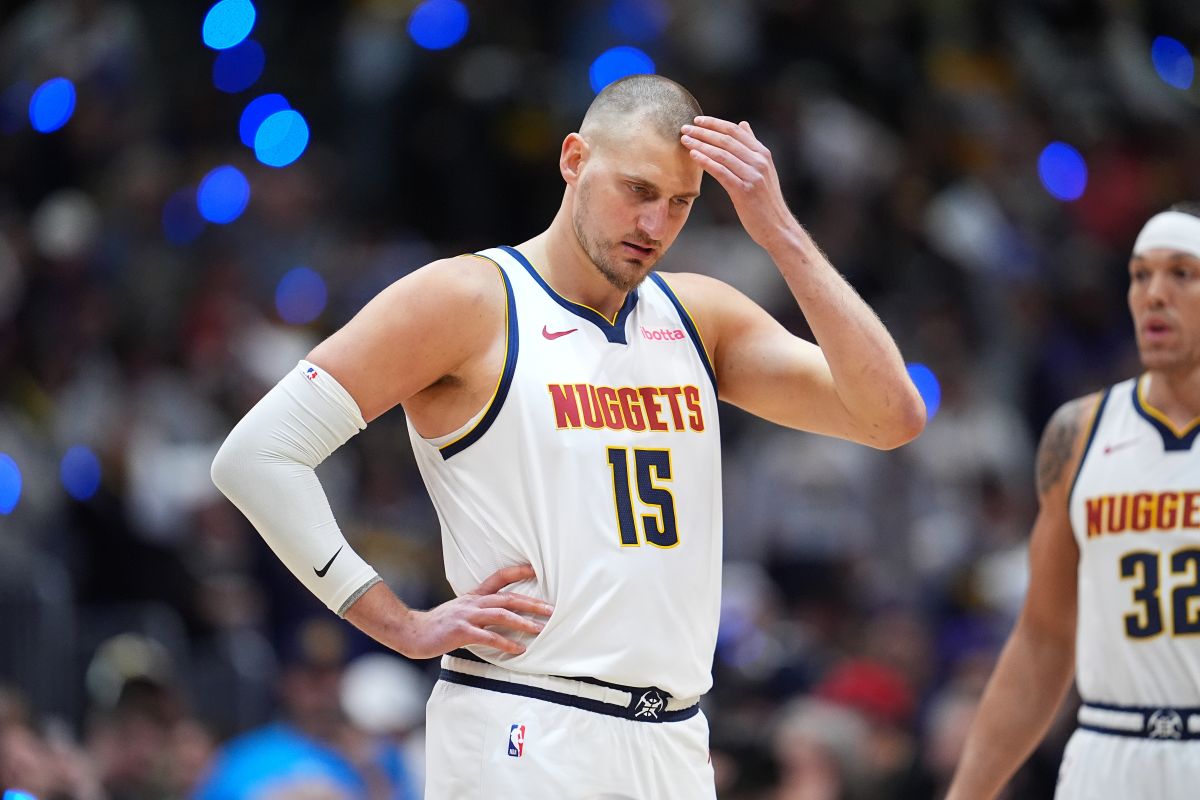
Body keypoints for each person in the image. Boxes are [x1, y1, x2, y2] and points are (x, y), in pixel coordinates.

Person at [211, 74, 924, 798]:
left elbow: (891, 415)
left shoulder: (702, 317)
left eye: (680, 203)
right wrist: (397, 624)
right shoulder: (468, 300)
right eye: (638, 190)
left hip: (674, 738)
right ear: (574, 158)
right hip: (527, 722)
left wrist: (780, 233)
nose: (654, 225)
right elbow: (257, 456)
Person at [946, 203, 1200, 800]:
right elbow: (1043, 639)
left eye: (1181, 273)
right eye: (1141, 275)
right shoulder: (1079, 433)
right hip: (1110, 751)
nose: (1154, 295)